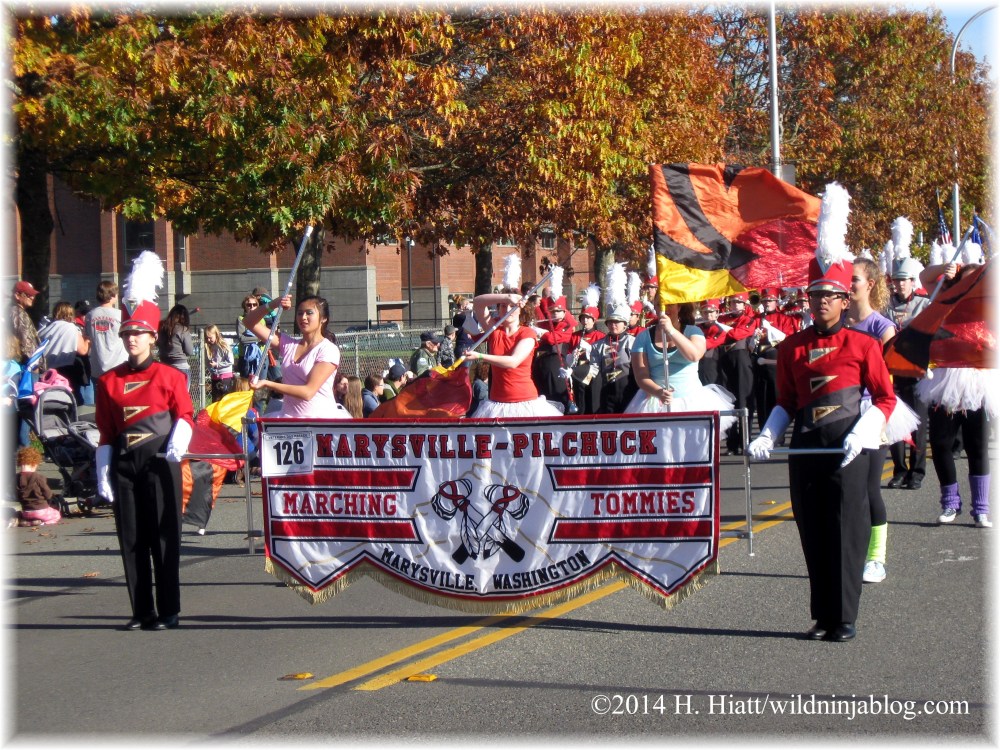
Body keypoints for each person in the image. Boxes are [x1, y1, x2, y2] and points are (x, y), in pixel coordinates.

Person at [748, 186, 896, 643]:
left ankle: (846, 617)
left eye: (829, 296)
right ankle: (823, 616)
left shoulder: (864, 344)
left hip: (851, 449)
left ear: (844, 300)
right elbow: (787, 402)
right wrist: (769, 435)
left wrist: (865, 431)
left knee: (846, 534)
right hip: (808, 448)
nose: (820, 303)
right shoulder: (792, 347)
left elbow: (886, 398)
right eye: (814, 296)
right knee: (813, 534)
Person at [94, 257, 194, 631]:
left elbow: (185, 414)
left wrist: (178, 441)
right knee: (132, 539)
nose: (131, 339)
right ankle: (142, 610)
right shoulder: (108, 382)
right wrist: (103, 469)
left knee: (165, 538)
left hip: (160, 461)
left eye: (138, 333)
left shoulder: (169, 376)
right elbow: (106, 430)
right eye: (126, 334)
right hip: (126, 466)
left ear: (153, 336)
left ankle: (169, 609)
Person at [916, 263, 997, 528]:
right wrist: (947, 267)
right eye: (967, 280)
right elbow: (924, 277)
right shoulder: (945, 298)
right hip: (945, 380)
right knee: (940, 444)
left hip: (978, 381)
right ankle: (950, 503)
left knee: (977, 447)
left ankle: (981, 508)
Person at [845, 257, 899, 585]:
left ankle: (876, 558)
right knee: (844, 490)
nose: (848, 285)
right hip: (840, 412)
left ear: (870, 285)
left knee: (868, 488)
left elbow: (889, 380)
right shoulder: (838, 324)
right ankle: (850, 552)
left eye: (854, 279)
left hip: (872, 413)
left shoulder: (882, 327)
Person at [625, 303, 736, 430]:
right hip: (656, 402)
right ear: (655, 307)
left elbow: (694, 355)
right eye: (660, 303)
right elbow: (641, 376)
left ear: (679, 307)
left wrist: (671, 330)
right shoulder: (643, 337)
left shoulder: (693, 331)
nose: (664, 308)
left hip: (691, 401)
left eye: (669, 304)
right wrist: (659, 392)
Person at [241, 293, 347, 419]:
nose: (303, 317)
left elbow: (308, 392)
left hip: (320, 422)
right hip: (290, 421)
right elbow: (248, 322)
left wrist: (267, 384)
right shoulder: (288, 344)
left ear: (323, 318)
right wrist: (274, 303)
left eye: (309, 313)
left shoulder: (328, 349)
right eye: (300, 313)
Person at [469, 291, 561, 418]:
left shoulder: (527, 333)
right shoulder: (494, 330)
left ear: (520, 310)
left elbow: (513, 361)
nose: (507, 309)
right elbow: (478, 302)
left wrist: (480, 356)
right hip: (497, 402)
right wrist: (507, 297)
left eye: (512, 306)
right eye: (503, 306)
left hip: (524, 401)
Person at [884, 256, 930, 489]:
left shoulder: (924, 304)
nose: (899, 284)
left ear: (913, 282)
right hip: (892, 372)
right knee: (894, 424)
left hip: (915, 371)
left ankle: (917, 471)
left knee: (918, 426)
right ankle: (899, 470)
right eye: (896, 280)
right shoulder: (886, 306)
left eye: (904, 280)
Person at [750, 287, 801, 440]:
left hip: (775, 361)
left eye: (770, 300)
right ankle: (763, 432)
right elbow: (751, 344)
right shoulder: (757, 319)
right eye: (764, 301)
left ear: (776, 301)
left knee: (776, 397)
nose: (767, 303)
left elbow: (788, 340)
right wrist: (754, 339)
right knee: (761, 398)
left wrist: (771, 330)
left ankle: (778, 433)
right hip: (759, 362)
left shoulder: (784, 319)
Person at [716, 292, 757, 454]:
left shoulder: (748, 320)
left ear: (745, 304)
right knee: (729, 401)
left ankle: (746, 441)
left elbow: (738, 334)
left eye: (739, 303)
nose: (735, 306)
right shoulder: (723, 319)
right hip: (724, 360)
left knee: (744, 401)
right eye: (733, 303)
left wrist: (724, 333)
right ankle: (732, 443)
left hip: (741, 361)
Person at [10, 280, 43, 446]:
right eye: (28, 295)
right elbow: (26, 344)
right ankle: (25, 448)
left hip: (26, 368)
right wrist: (35, 364)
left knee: (23, 409)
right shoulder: (17, 313)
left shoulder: (18, 312)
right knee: (26, 409)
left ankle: (22, 447)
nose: (32, 297)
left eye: (32, 295)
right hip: (27, 368)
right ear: (17, 295)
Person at [38, 301, 90, 404]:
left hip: (49, 371)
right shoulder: (71, 328)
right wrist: (88, 341)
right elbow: (83, 350)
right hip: (67, 370)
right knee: (72, 400)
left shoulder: (46, 329)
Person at [592, 304, 637, 414]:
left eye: (617, 322)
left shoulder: (632, 342)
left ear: (625, 324)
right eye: (610, 322)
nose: (613, 325)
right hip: (607, 393)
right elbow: (594, 369)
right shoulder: (598, 345)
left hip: (628, 391)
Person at [84, 280, 127, 381]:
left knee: (100, 396)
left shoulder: (90, 315)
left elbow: (87, 336)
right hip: (118, 365)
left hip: (97, 366)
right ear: (113, 295)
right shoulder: (120, 315)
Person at [568, 301, 605, 415]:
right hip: (577, 370)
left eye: (588, 318)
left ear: (594, 320)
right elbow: (568, 355)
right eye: (583, 318)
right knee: (580, 399)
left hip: (592, 371)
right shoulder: (575, 336)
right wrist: (573, 354)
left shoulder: (600, 336)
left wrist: (589, 349)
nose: (585, 321)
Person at [16, 446, 61, 527]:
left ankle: (28, 521)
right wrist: (51, 497)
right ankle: (42, 523)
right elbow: (48, 494)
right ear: (34, 463)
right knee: (56, 514)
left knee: (28, 515)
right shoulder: (38, 477)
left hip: (26, 511)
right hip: (41, 510)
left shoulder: (16, 478)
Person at [157, 304, 194, 390]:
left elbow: (157, 343)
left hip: (164, 365)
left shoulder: (161, 328)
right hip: (181, 367)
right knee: (182, 396)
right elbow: (190, 351)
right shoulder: (183, 330)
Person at [203, 324, 235, 401]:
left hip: (225, 377)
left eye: (210, 338)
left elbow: (231, 361)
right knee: (215, 400)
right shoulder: (208, 347)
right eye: (207, 338)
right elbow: (207, 362)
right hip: (215, 377)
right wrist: (211, 369)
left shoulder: (224, 345)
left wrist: (217, 364)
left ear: (216, 334)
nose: (208, 340)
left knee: (225, 400)